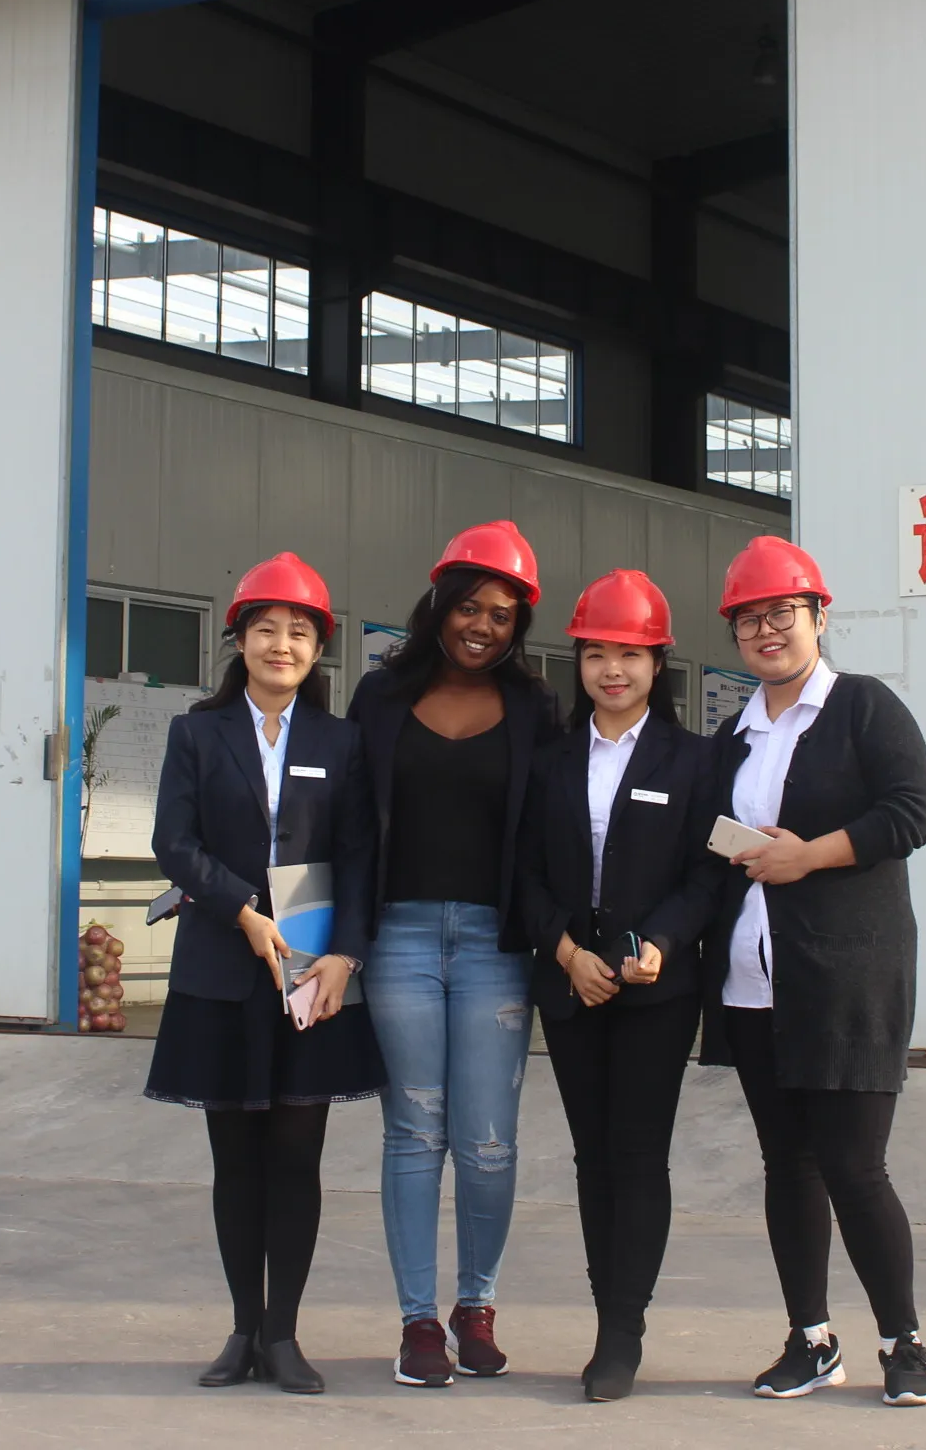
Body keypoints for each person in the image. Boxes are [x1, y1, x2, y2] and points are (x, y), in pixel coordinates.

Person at [699, 535, 926, 1407]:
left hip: (848, 978)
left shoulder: (863, 708)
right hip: (753, 984)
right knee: (788, 1164)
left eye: (782, 613)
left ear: (818, 617)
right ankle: (811, 1339)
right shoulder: (732, 737)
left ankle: (902, 1342)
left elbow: (913, 813)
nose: (767, 631)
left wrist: (811, 856)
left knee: (854, 1165)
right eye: (749, 619)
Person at [143, 551, 383, 1396]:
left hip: (310, 972)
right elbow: (173, 844)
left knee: (296, 1157)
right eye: (267, 629)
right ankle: (243, 1328)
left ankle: (284, 1336)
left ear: (319, 649)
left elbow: (359, 856)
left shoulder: (340, 742)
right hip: (222, 966)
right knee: (236, 1159)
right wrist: (241, 908)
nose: (283, 645)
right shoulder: (196, 734)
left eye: (300, 633)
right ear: (239, 640)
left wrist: (343, 956)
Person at [348, 520, 562, 1387]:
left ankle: (477, 1308)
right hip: (397, 937)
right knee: (413, 1132)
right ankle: (417, 1324)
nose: (483, 626)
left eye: (503, 615)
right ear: (438, 604)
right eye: (470, 607)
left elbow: (553, 836)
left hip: (494, 946)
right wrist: (335, 942)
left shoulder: (535, 710)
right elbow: (348, 824)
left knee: (487, 1143)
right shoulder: (379, 698)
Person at [515, 569, 725, 1402]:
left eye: (631, 654)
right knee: (591, 1156)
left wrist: (662, 945)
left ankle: (622, 1330)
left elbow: (708, 873)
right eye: (598, 653)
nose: (613, 670)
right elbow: (524, 873)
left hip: (654, 993)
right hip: (573, 986)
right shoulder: (552, 761)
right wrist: (566, 952)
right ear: (578, 660)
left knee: (637, 1156)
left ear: (657, 663)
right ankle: (607, 1305)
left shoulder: (694, 760)